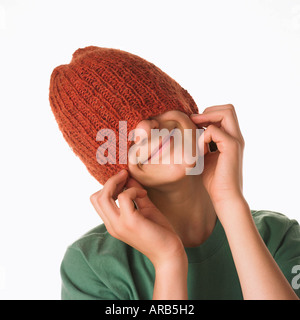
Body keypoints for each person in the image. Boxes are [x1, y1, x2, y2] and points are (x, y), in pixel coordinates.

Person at [49, 46, 300, 300]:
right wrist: (168, 261)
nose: (146, 128)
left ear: (187, 109)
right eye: (121, 134)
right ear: (110, 169)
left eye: (150, 103)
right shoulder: (91, 268)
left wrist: (230, 204)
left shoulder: (278, 235)